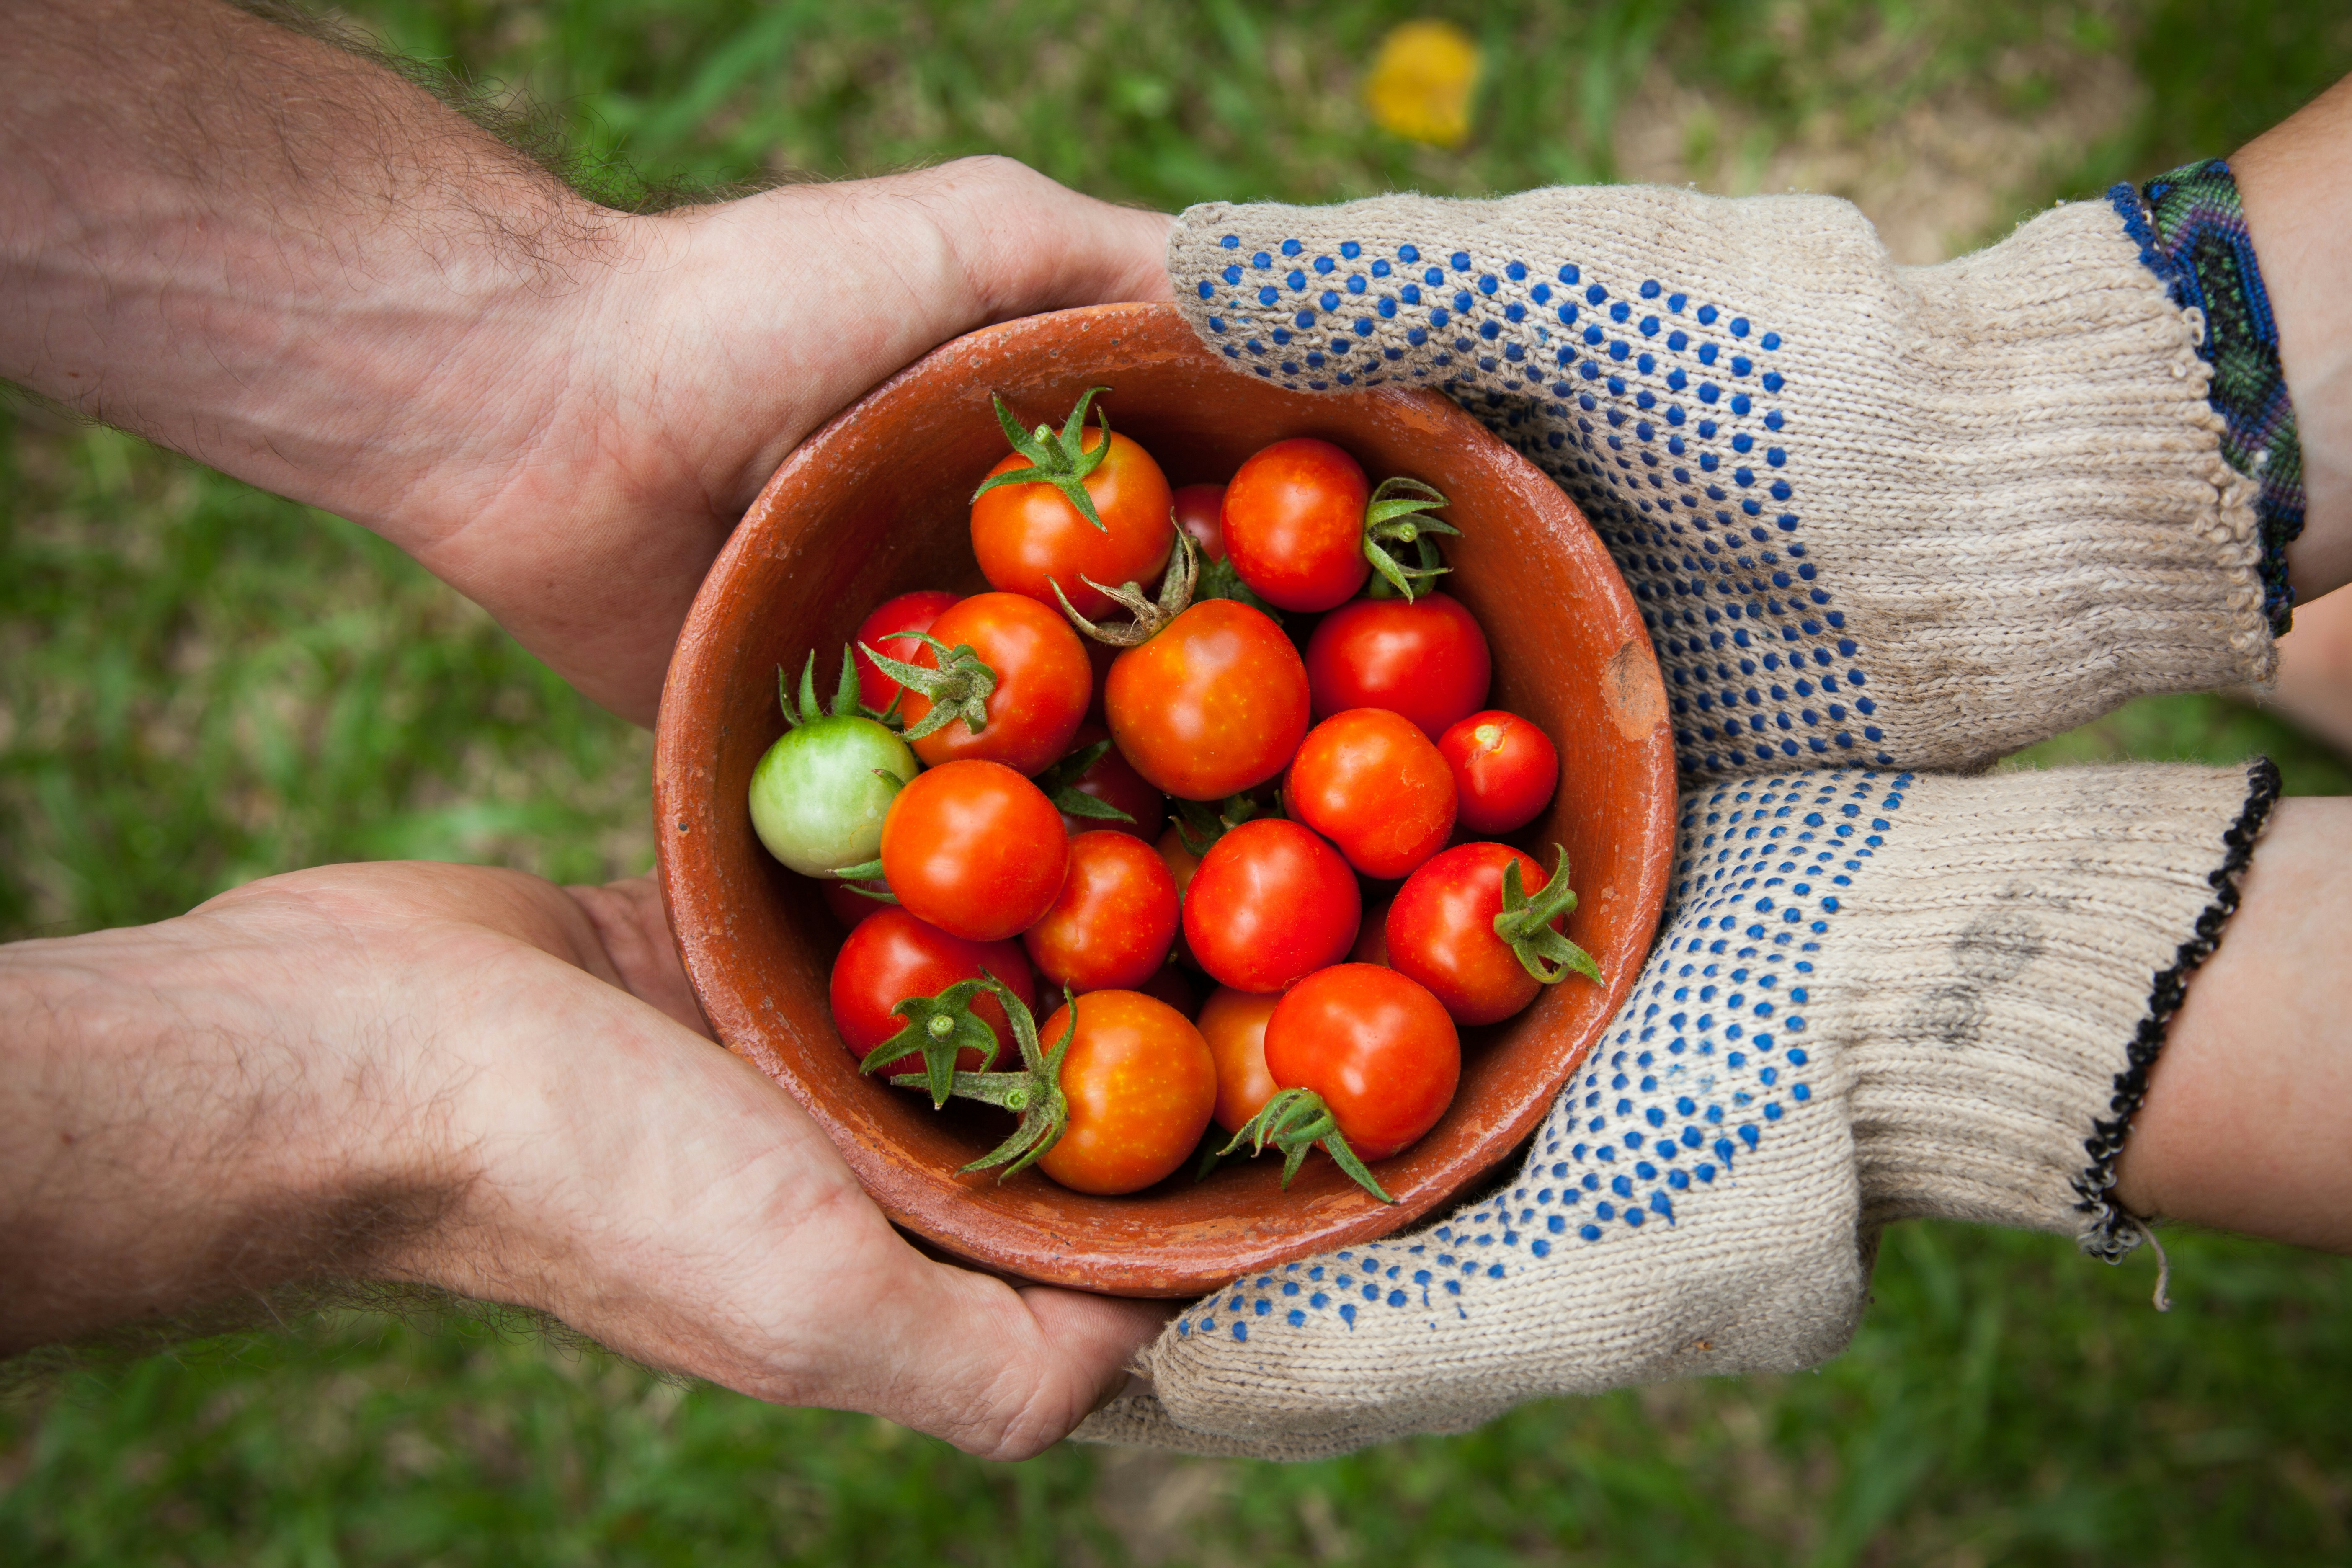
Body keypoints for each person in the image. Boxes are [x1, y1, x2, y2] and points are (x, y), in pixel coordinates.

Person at [2, 0, 2346, 1462]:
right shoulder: (1129, 843)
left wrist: (2072, 426)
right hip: (1322, 883)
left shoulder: (1130, 768)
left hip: (1330, 850)